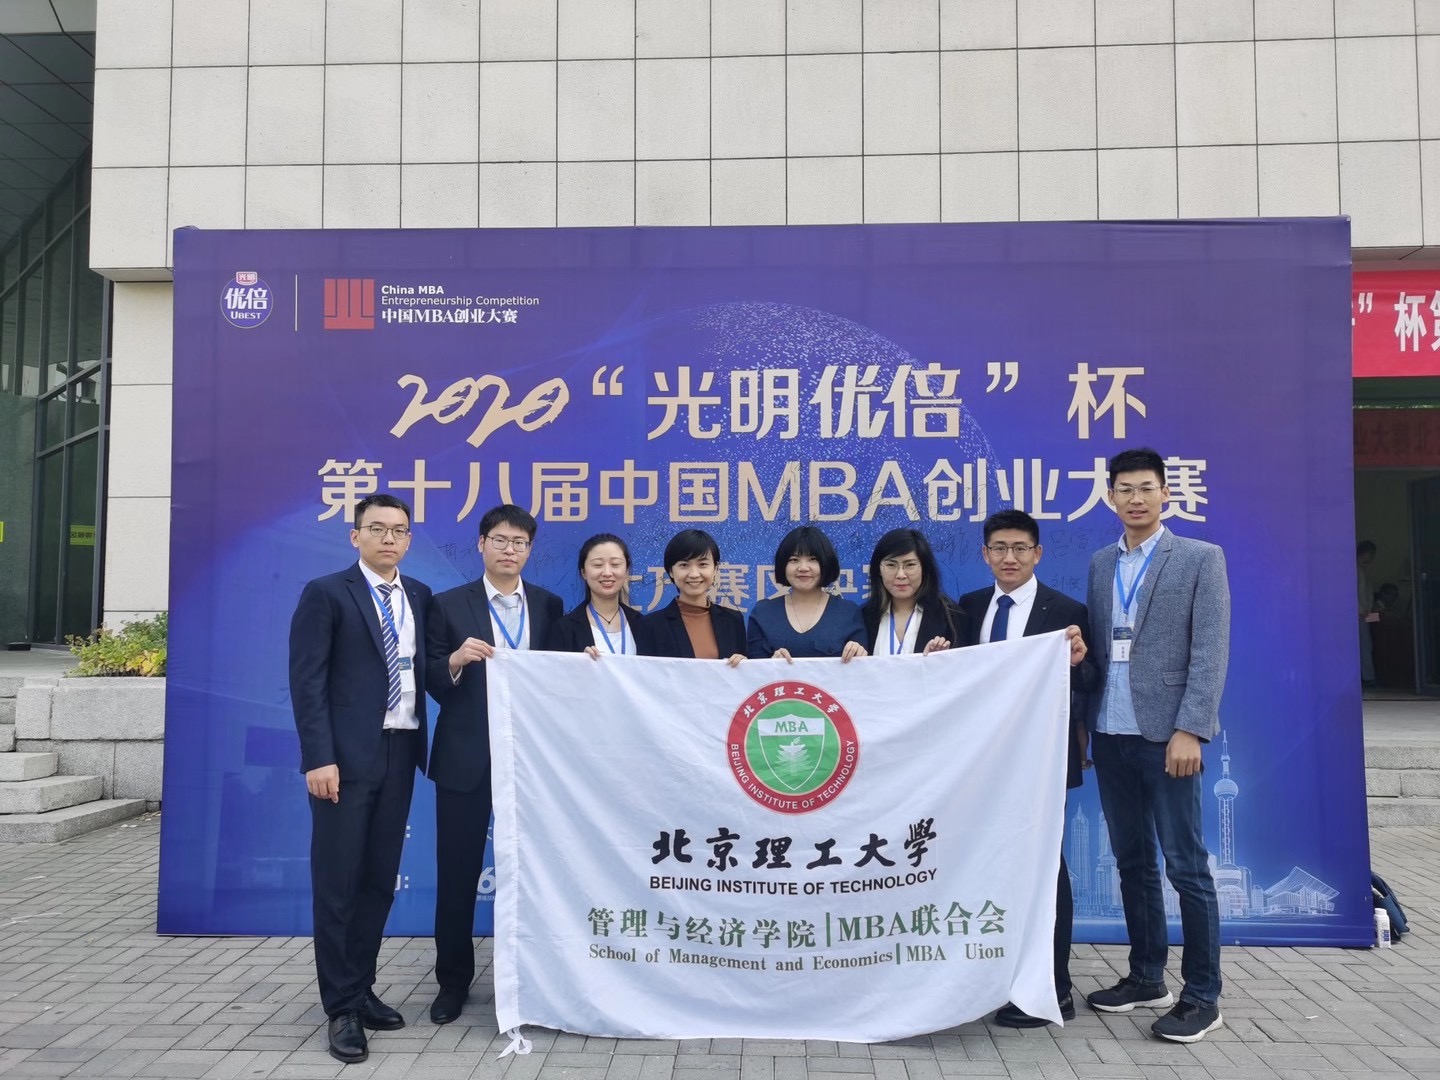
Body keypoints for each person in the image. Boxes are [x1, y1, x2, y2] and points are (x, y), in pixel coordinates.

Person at [1084, 448, 1230, 1043]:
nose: (1136, 498)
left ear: (1166, 493)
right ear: (1110, 497)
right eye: (1125, 489)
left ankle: (1202, 996)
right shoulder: (1102, 563)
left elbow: (1210, 649)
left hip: (1169, 736)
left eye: (1146, 487)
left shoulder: (1199, 558)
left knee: (1185, 866)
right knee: (1132, 861)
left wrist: (1191, 727)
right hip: (1110, 732)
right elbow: (1101, 649)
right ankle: (1147, 977)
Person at [288, 494, 431, 1064]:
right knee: (339, 883)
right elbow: (307, 682)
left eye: (399, 530)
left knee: (376, 881)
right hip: (343, 763)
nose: (389, 538)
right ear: (356, 536)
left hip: (401, 751)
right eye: (377, 529)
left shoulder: (418, 595)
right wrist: (318, 758)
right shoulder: (327, 593)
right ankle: (341, 1009)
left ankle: (361, 987)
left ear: (409, 538)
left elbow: (426, 667)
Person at [423, 504, 563, 1025]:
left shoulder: (549, 605)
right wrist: (455, 661)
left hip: (532, 763)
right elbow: (429, 677)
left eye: (519, 543)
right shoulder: (446, 604)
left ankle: (537, 979)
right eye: (500, 540)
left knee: (540, 873)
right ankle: (452, 982)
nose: (509, 550)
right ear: (481, 544)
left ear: (530, 550)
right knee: (458, 874)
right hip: (466, 760)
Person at [955, 509, 1096, 1029]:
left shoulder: (1067, 611)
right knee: (985, 865)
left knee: (1044, 868)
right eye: (999, 548)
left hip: (1039, 762)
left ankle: (1054, 988)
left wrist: (1078, 663)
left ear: (1037, 554)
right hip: (979, 763)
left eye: (1020, 548)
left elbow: (1091, 681)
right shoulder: (969, 607)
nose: (1009, 557)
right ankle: (991, 978)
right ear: (985, 554)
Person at [746, 525, 868, 661]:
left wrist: (859, 654)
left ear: (826, 563)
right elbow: (753, 670)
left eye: (812, 559)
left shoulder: (848, 613)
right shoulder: (763, 613)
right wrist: (771, 664)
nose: (803, 568)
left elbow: (860, 671)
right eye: (794, 560)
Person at [644, 528, 746, 665]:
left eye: (702, 564)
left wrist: (745, 666)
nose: (694, 574)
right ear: (671, 571)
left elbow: (746, 674)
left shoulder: (733, 621)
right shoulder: (651, 625)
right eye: (684, 565)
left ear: (715, 569)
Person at [859, 528, 965, 655]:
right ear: (878, 570)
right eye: (891, 565)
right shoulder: (863, 617)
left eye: (910, 565)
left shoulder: (951, 616)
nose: (900, 575)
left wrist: (938, 660)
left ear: (924, 569)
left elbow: (964, 664)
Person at [546, 533, 653, 656]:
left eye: (615, 564)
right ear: (584, 572)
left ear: (626, 571)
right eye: (597, 565)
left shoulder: (643, 625)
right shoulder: (564, 629)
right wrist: (577, 663)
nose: (607, 573)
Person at [1357, 540, 1377, 686]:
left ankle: (1368, 676)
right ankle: (1367, 677)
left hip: (1364, 614)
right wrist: (1360, 610)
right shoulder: (1354, 570)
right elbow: (1352, 593)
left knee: (1366, 645)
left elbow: (1368, 593)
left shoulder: (1363, 570)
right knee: (1364, 645)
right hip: (1359, 615)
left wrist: (1368, 609)